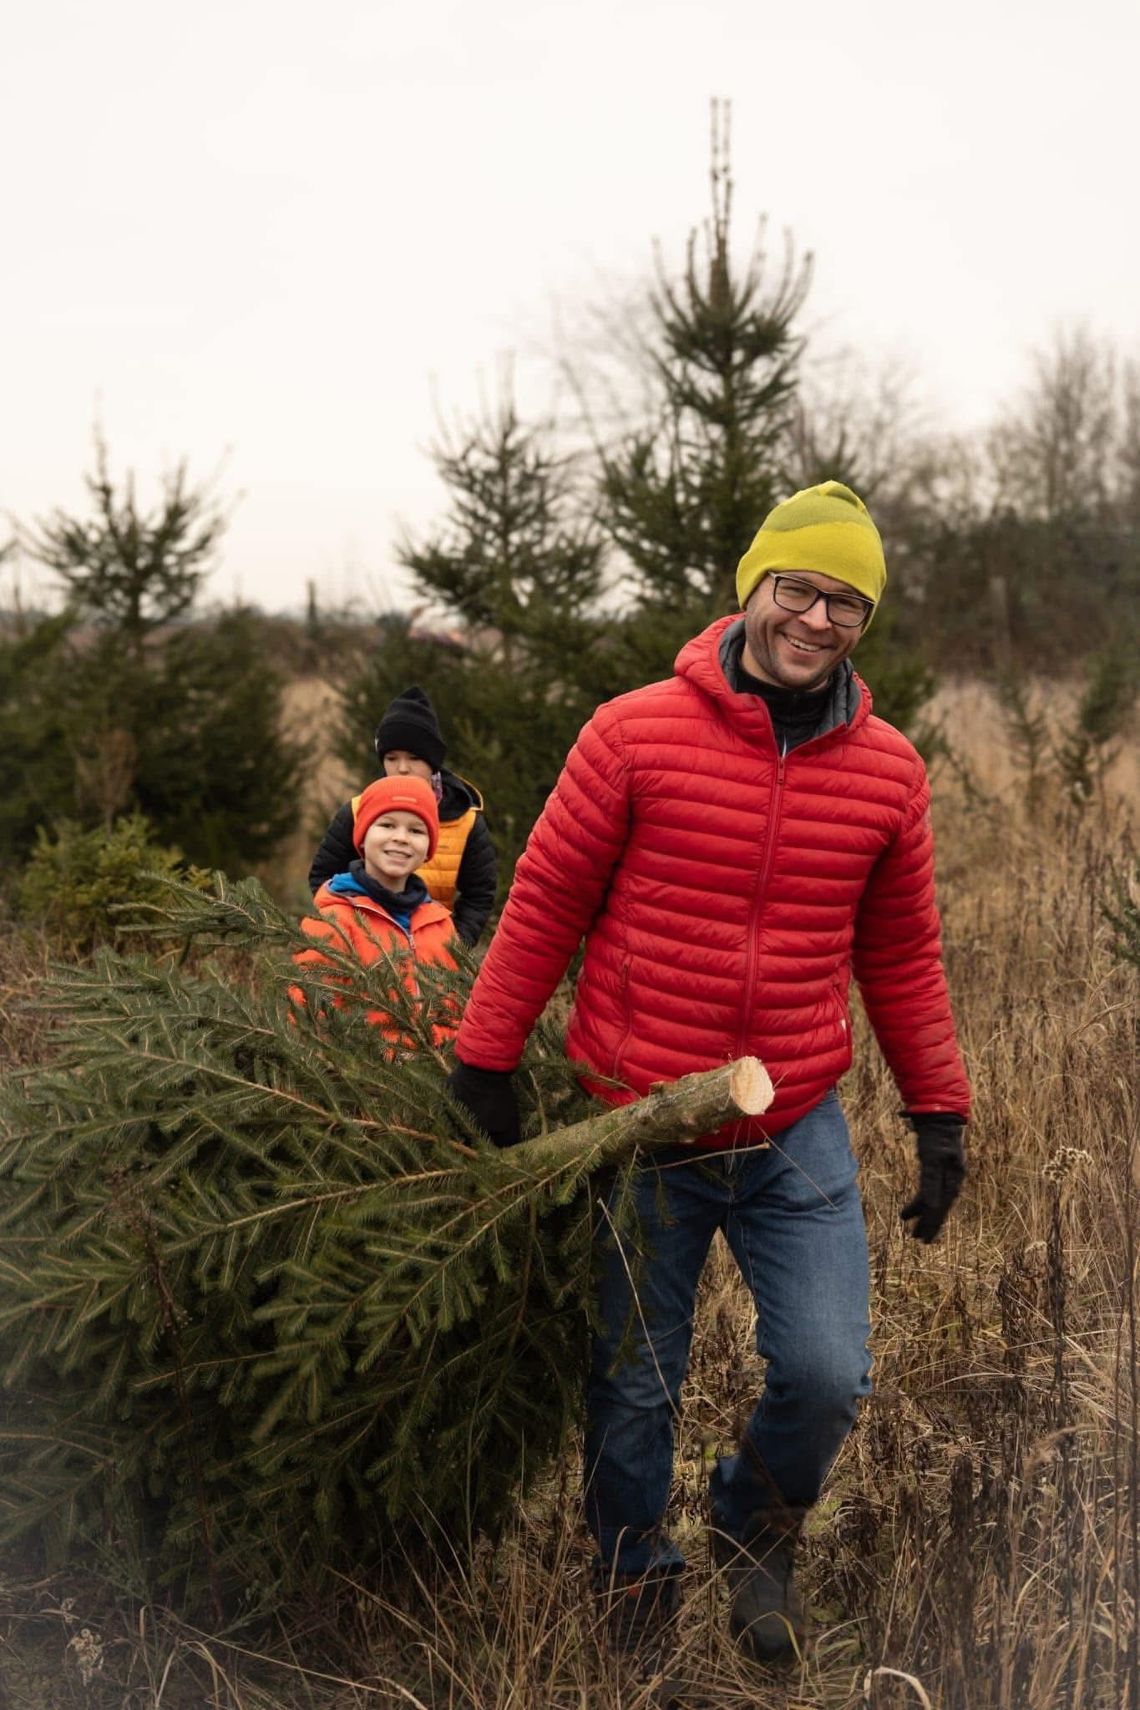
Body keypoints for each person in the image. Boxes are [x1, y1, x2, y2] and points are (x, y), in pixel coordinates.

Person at [447, 481, 971, 1660]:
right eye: (801, 589)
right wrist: (485, 1059)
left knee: (832, 1372)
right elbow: (544, 901)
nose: (819, 619)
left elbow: (903, 956)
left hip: (793, 1121)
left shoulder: (888, 772)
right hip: (641, 1124)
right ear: (753, 587)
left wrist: (940, 1111)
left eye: (847, 603)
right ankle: (633, 1582)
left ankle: (753, 1524)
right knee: (633, 1387)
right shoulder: (633, 732)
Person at [309, 685, 497, 946]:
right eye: (391, 757)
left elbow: (480, 895)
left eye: (414, 757)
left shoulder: (466, 821)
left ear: (433, 761)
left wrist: (450, 950)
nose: (402, 768)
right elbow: (322, 878)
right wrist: (349, 939)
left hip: (432, 964)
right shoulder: (356, 811)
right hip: (363, 956)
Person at [294, 774, 457, 1046]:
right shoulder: (333, 920)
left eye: (416, 830)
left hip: (436, 1076)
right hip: (362, 1077)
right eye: (387, 825)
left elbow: (456, 1009)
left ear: (429, 846)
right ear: (362, 836)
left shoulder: (441, 923)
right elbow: (309, 1013)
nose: (401, 838)